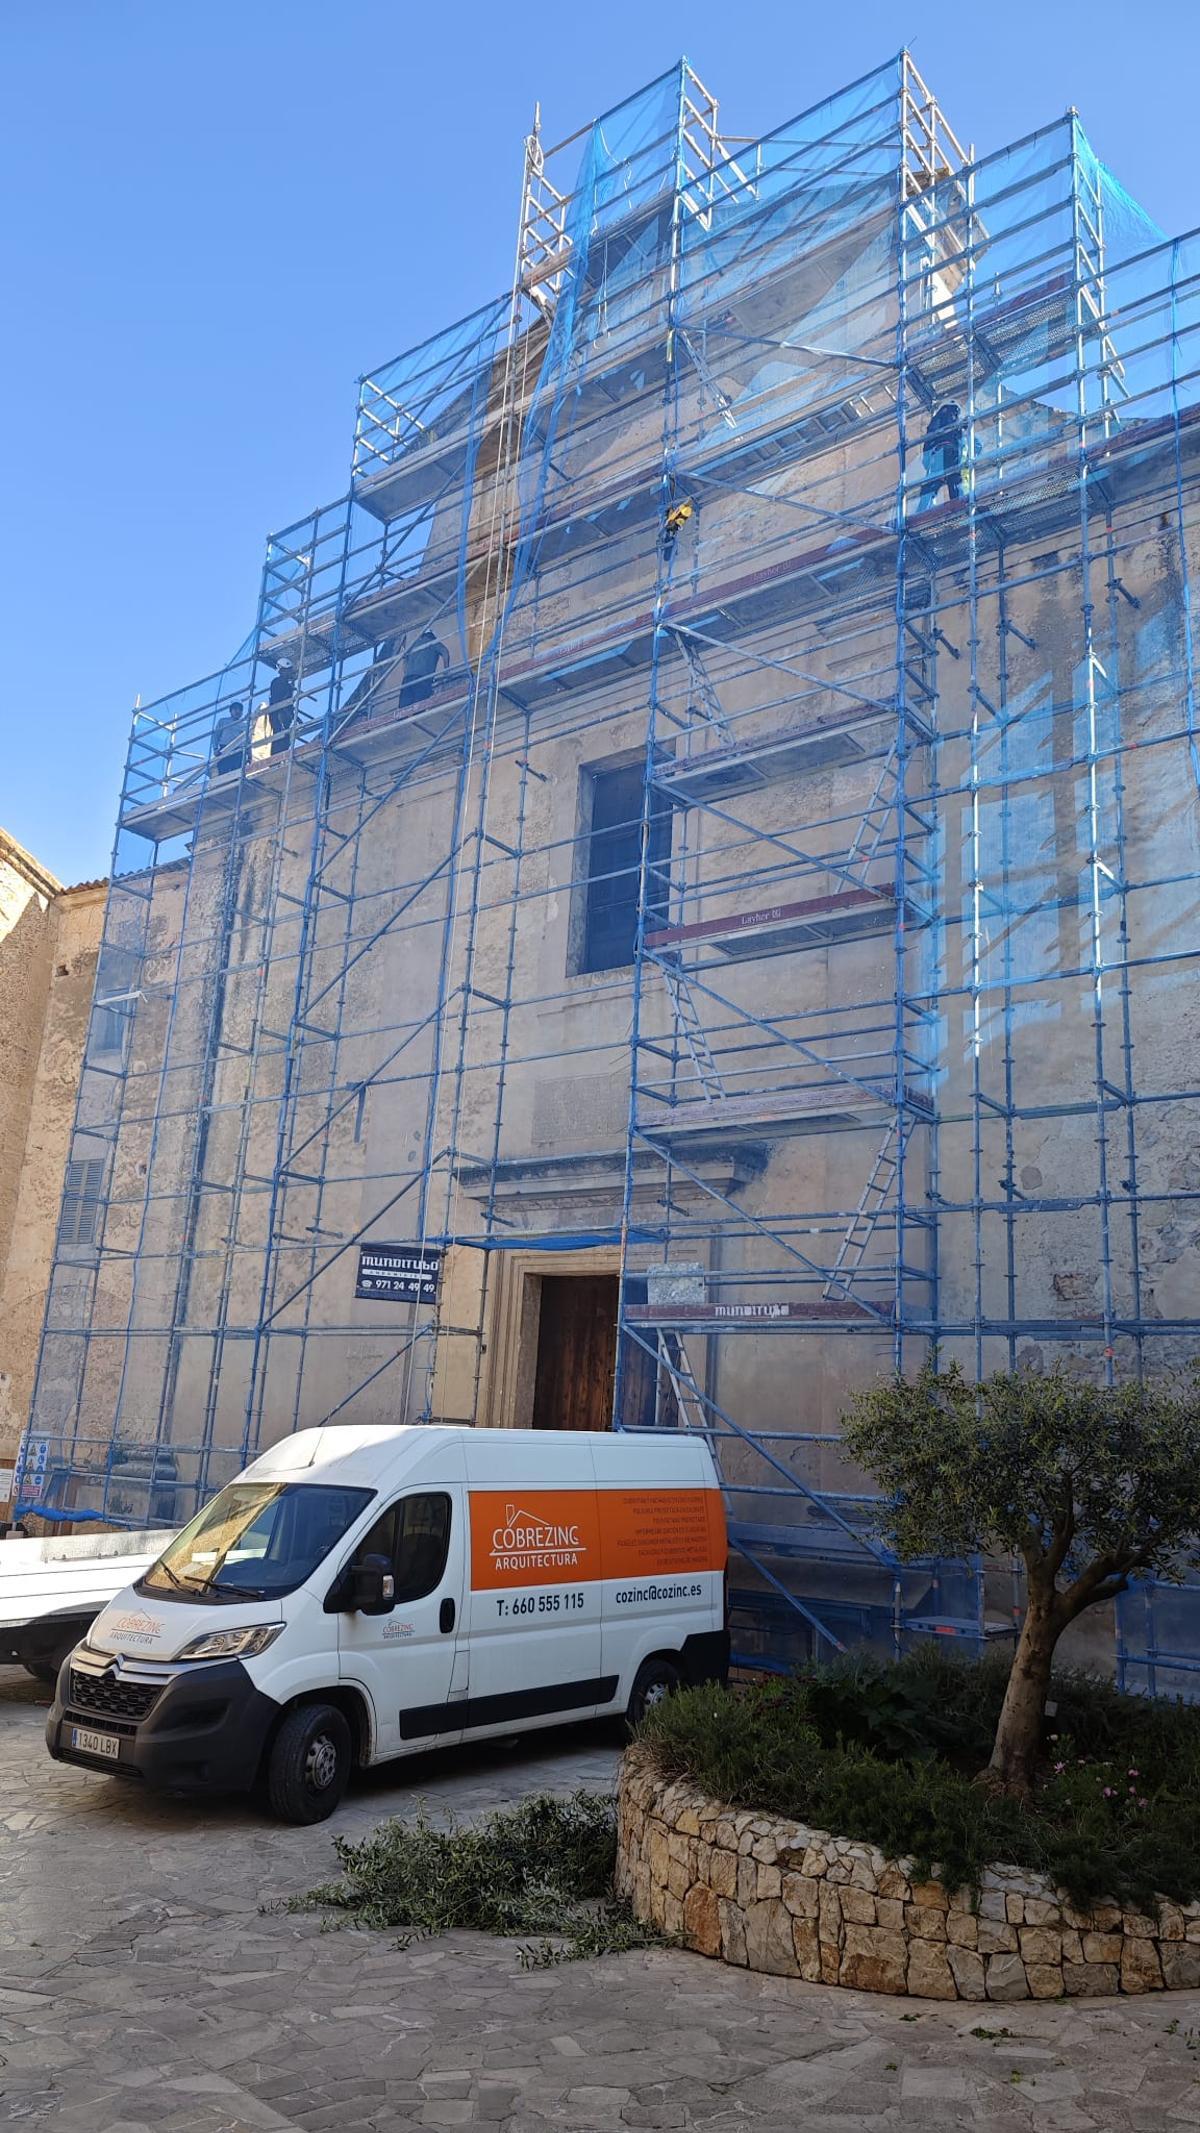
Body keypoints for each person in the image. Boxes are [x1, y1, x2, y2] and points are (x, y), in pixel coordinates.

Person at [920, 402, 964, 506]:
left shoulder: (940, 419)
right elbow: (931, 436)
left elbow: (929, 438)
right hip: (945, 452)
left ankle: (924, 507)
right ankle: (958, 504)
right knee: (952, 479)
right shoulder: (946, 417)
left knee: (936, 481)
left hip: (942, 453)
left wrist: (926, 458)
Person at [398, 627, 450, 708]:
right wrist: (446, 671)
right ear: (432, 636)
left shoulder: (413, 645)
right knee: (420, 707)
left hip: (407, 680)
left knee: (404, 709)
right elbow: (445, 652)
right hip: (422, 679)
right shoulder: (432, 642)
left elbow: (405, 665)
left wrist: (409, 672)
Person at [266, 661, 296, 756]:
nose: (289, 673)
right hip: (279, 714)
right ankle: (276, 757)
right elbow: (277, 701)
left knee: (284, 737)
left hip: (284, 714)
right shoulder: (278, 682)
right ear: (282, 671)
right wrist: (284, 713)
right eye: (287, 670)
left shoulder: (286, 685)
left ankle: (280, 756)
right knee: (280, 737)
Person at [211, 702, 247, 778]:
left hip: (238, 751)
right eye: (235, 709)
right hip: (224, 749)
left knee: (237, 774)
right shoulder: (223, 721)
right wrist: (215, 748)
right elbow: (216, 735)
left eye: (240, 710)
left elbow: (248, 741)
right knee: (223, 772)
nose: (238, 711)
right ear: (230, 711)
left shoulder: (244, 725)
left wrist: (249, 756)